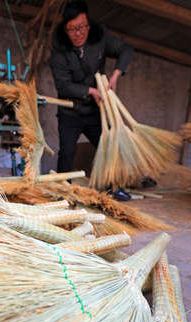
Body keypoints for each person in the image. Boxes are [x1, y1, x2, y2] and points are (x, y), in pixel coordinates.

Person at [51, 0, 134, 201]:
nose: (78, 34)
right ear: (65, 29)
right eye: (72, 29)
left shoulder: (99, 37)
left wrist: (115, 75)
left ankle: (112, 187)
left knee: (108, 147)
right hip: (70, 112)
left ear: (88, 25)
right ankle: (64, 193)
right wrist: (90, 90)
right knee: (67, 153)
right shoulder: (59, 50)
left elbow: (126, 49)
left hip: (95, 111)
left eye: (81, 28)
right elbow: (63, 85)